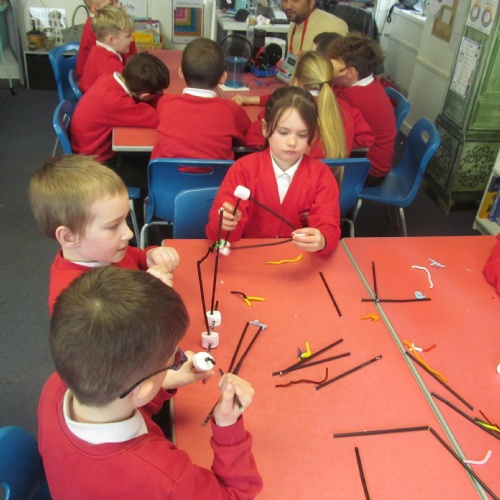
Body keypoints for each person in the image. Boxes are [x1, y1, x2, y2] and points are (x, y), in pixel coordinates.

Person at [38, 266, 262, 498]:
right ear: (142, 390)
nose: (179, 361)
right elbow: (235, 494)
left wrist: (162, 381)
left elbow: (122, 400)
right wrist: (228, 426)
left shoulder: (54, 388)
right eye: (174, 359)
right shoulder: (165, 477)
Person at [29, 155, 179, 314]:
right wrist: (151, 293)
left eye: (126, 218)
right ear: (69, 237)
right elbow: (121, 326)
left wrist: (150, 256)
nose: (129, 234)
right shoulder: (72, 300)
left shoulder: (110, 252)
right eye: (113, 226)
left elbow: (136, 258)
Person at [206, 86, 341, 255]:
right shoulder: (243, 170)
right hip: (250, 258)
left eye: (302, 135)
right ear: (265, 128)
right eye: (283, 132)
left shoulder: (321, 175)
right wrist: (224, 224)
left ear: (312, 135)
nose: (292, 142)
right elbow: (217, 234)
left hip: (298, 261)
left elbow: (330, 228)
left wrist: (322, 240)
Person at [243, 51, 375, 161]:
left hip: (291, 182)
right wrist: (338, 140)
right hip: (333, 181)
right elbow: (366, 139)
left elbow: (252, 141)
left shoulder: (281, 109)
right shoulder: (346, 110)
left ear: (295, 81)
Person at [151, 38, 251, 160]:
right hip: (219, 173)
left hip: (166, 173)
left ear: (181, 72)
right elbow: (247, 132)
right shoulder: (231, 110)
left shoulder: (165, 103)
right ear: (223, 77)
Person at [70, 52, 169, 164]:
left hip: (89, 148)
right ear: (145, 96)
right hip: (94, 161)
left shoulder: (108, 78)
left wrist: (160, 98)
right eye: (158, 93)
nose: (160, 94)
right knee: (147, 166)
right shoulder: (117, 102)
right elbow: (157, 119)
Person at [326, 32, 397, 186]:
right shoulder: (369, 82)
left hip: (368, 171)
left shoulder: (353, 98)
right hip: (376, 160)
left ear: (350, 72)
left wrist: (324, 78)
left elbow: (326, 115)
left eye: (331, 66)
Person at [79, 6, 134, 93]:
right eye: (128, 36)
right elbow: (129, 89)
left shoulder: (98, 50)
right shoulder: (107, 62)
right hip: (97, 97)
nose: (132, 39)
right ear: (111, 40)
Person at [282, 0, 348, 56]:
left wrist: (310, 61)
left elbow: (340, 63)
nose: (288, 6)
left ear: (311, 3)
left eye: (295, 0)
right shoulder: (293, 26)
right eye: (285, 0)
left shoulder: (332, 25)